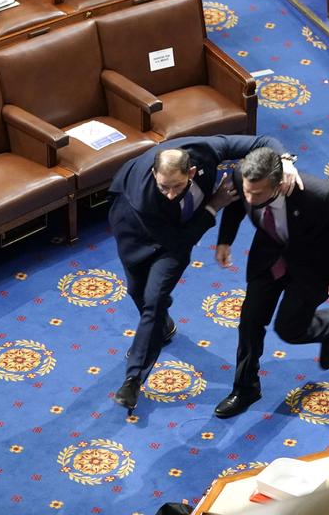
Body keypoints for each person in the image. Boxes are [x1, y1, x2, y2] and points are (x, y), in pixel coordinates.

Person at [107, 135, 300, 414]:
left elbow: (263, 141)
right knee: (136, 290)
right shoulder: (144, 196)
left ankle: (133, 378)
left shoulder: (208, 150)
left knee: (154, 298)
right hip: (134, 229)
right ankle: (162, 329)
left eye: (177, 186)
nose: (171, 193)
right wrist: (213, 206)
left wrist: (285, 160)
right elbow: (177, 239)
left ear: (192, 172)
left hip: (177, 239)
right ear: (153, 174)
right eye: (164, 187)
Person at [213, 147, 329, 418]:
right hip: (270, 257)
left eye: (258, 194)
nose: (251, 198)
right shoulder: (244, 178)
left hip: (313, 265)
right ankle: (245, 388)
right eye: (248, 191)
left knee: (289, 330)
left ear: (278, 185)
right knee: (249, 323)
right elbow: (238, 203)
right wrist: (225, 239)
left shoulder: (317, 194)